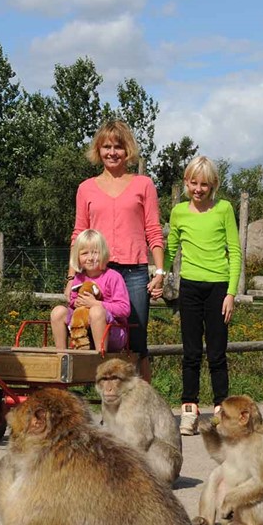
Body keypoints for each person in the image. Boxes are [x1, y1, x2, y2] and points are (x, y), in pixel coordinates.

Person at [73, 119, 165, 380]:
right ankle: (108, 403)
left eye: (118, 147)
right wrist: (71, 276)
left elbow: (154, 230)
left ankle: (144, 405)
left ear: (128, 151)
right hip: (96, 274)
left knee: (136, 341)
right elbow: (79, 234)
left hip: (134, 273)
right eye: (106, 147)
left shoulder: (143, 184)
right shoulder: (85, 188)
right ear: (98, 150)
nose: (112, 152)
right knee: (99, 339)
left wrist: (159, 272)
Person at [164, 156, 242, 436]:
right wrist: (160, 274)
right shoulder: (179, 212)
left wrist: (231, 293)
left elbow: (235, 252)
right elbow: (171, 247)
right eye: (193, 183)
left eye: (204, 185)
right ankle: (189, 410)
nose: (198, 189)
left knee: (218, 353)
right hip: (190, 287)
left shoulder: (224, 209)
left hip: (219, 287)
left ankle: (222, 411)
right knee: (191, 352)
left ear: (213, 185)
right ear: (186, 183)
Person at [50, 229, 131, 352]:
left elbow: (124, 309)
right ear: (77, 256)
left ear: (103, 253)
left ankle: (99, 355)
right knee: (58, 311)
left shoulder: (113, 277)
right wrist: (75, 303)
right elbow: (72, 300)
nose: (90, 258)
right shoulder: (79, 277)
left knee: (96, 311)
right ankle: (61, 354)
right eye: (84, 253)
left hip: (113, 332)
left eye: (95, 252)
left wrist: (96, 304)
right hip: (83, 329)